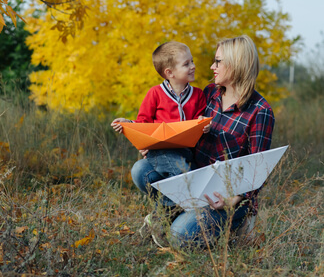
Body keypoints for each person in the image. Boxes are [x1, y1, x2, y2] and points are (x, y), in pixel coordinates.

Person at [165, 35, 275, 248]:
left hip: (228, 196)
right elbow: (182, 127)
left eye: (218, 61)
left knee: (179, 235)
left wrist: (233, 199)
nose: (211, 66)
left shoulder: (260, 111)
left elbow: (257, 170)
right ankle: (181, 210)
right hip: (195, 178)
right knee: (142, 169)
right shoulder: (210, 93)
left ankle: (239, 225)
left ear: (236, 65)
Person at [111, 41, 207, 221]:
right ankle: (187, 205)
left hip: (186, 153)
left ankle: (163, 214)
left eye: (192, 61)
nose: (193, 66)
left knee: (183, 169)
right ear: (169, 73)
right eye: (186, 64)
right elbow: (143, 123)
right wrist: (128, 123)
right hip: (159, 151)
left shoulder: (198, 95)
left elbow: (200, 124)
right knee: (183, 175)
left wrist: (204, 124)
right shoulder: (155, 94)